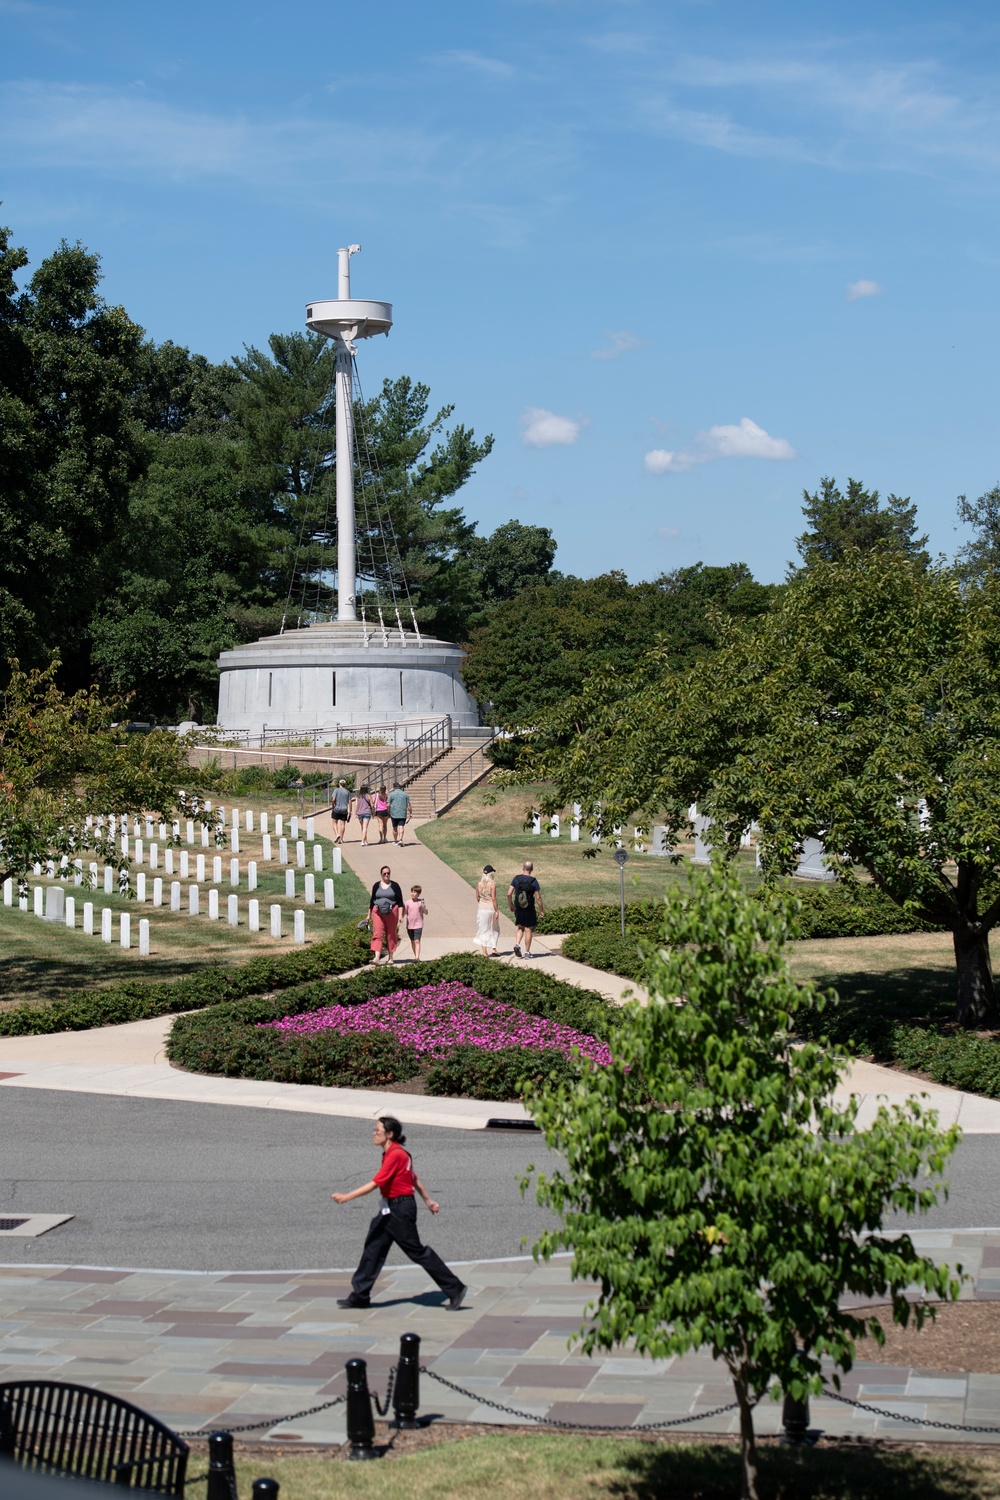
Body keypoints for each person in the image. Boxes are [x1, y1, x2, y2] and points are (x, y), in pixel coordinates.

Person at [332, 1116, 467, 1311]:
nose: (374, 1133)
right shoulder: (392, 1153)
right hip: (391, 1209)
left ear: (389, 1134)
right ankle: (360, 1295)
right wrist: (429, 1201)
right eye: (374, 1129)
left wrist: (346, 1197)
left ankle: (455, 1288)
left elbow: (375, 1184)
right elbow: (414, 1179)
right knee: (374, 1247)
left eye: (378, 1130)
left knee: (417, 1252)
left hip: (400, 1210)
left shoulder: (396, 1154)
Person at [508, 859, 544, 957]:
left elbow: (509, 893)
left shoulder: (516, 879)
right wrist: (541, 911)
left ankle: (517, 944)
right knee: (528, 929)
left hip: (518, 907)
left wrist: (511, 904)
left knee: (520, 927)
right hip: (529, 908)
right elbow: (538, 897)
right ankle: (527, 952)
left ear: (523, 868)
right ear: (532, 869)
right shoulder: (533, 881)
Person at [369, 865, 404, 963]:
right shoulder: (376, 885)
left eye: (388, 873)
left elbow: (400, 902)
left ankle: (391, 957)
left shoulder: (395, 886)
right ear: (381, 874)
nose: (386, 875)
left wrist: (400, 915)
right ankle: (376, 958)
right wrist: (368, 915)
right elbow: (372, 901)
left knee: (391, 934)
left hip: (391, 912)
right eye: (384, 873)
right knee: (377, 933)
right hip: (378, 912)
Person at [474, 865, 500, 957]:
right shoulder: (492, 884)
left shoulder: (478, 884)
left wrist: (481, 903)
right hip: (490, 909)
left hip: (481, 909)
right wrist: (496, 910)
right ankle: (493, 948)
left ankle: (484, 952)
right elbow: (493, 898)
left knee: (483, 929)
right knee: (494, 929)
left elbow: (477, 897)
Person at [405, 884, 428, 960]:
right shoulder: (407, 902)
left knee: (417, 941)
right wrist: (400, 917)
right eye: (412, 891)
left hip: (418, 925)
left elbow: (426, 912)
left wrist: (422, 906)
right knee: (412, 941)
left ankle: (417, 957)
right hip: (410, 925)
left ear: (418, 894)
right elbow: (404, 912)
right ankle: (416, 957)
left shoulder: (421, 902)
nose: (412, 893)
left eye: (415, 892)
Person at [388, 781, 413, 846]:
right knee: (401, 826)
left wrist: (388, 811)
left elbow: (388, 804)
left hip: (393, 813)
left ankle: (395, 840)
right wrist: (411, 813)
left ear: (394, 787)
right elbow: (408, 805)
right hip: (402, 813)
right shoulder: (405, 794)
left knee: (394, 827)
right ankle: (400, 839)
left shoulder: (391, 794)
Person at [331, 779, 353, 843]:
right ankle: (341, 838)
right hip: (344, 810)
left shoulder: (336, 790)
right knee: (342, 824)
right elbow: (350, 802)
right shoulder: (347, 792)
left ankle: (337, 834)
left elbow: (333, 799)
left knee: (334, 822)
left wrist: (333, 805)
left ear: (339, 784)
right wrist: (350, 810)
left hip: (337, 809)